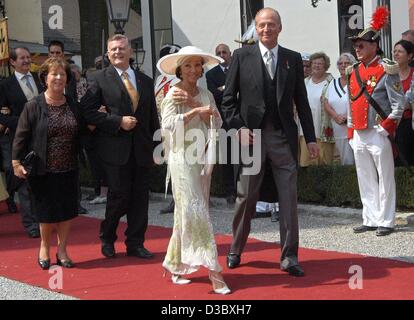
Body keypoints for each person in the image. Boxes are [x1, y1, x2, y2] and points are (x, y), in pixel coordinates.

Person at [221, 8, 318, 277]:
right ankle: (235, 248)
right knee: (246, 196)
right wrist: (238, 128)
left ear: (280, 27)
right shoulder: (241, 56)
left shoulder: (292, 59)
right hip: (251, 139)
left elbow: (302, 102)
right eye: (262, 25)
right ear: (256, 27)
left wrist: (310, 138)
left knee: (289, 199)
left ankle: (289, 256)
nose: (267, 29)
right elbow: (227, 101)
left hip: (282, 138)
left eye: (271, 25)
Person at [157, 45, 230, 294]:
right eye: (188, 65)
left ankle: (175, 265)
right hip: (181, 159)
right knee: (196, 211)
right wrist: (195, 110)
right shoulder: (172, 94)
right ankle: (215, 272)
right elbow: (166, 128)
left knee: (185, 214)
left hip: (201, 157)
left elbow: (217, 121)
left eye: (197, 65)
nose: (193, 69)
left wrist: (197, 103)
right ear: (179, 69)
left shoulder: (206, 93)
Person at [81, 34, 160, 259]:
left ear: (130, 52)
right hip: (115, 151)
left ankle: (135, 243)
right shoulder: (99, 78)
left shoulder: (145, 80)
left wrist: (157, 148)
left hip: (142, 150)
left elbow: (152, 116)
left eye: (122, 48)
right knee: (119, 197)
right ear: (108, 54)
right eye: (113, 49)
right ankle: (107, 238)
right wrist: (117, 122)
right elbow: (86, 111)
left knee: (140, 199)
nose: (118, 52)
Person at [12, 57, 84, 269]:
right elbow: (21, 136)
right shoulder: (34, 105)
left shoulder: (73, 104)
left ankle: (62, 250)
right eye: (54, 74)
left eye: (62, 74)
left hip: (69, 167)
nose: (59, 78)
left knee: (66, 211)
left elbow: (82, 129)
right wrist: (16, 162)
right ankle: (44, 246)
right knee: (46, 213)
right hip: (43, 169)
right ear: (45, 77)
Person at [347, 7, 405, 236]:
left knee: (385, 178)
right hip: (359, 133)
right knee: (365, 177)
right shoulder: (354, 70)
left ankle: (386, 220)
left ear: (374, 45)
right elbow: (352, 104)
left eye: (361, 45)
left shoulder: (387, 68)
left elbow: (399, 104)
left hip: (378, 131)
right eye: (356, 46)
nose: (357, 49)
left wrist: (385, 127)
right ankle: (370, 217)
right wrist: (351, 133)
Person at [0, 46, 43, 237]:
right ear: (12, 62)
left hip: (41, 139)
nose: (26, 61)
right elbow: (1, 116)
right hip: (19, 140)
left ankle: (43, 220)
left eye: (28, 57)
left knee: (41, 180)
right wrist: (24, 122)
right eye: (22, 58)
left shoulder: (38, 79)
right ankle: (31, 225)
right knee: (24, 183)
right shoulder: (5, 85)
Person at [206, 43, 236, 205]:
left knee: (246, 156)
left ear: (230, 54)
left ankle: (245, 190)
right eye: (219, 53)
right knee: (227, 159)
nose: (222, 54)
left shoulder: (238, 69)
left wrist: (223, 88)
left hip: (240, 119)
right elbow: (215, 95)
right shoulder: (211, 74)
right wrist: (230, 88)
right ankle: (230, 192)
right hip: (223, 121)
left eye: (225, 52)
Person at [154, 43, 181, 215]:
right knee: (170, 165)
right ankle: (174, 197)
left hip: (180, 126)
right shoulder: (160, 79)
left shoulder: (181, 78)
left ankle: (181, 199)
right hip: (164, 127)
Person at [299, 52, 334, 167]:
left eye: (320, 64)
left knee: (324, 164)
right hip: (306, 131)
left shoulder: (331, 83)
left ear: (325, 67)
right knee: (306, 164)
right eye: (314, 63)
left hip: (323, 131)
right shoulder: (304, 82)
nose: (316, 66)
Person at [324, 53, 356, 165]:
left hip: (355, 127)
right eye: (340, 63)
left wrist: (348, 118)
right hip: (338, 127)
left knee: (356, 159)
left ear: (353, 65)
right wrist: (335, 116)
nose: (343, 65)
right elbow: (326, 102)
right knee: (344, 160)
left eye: (346, 63)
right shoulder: (333, 83)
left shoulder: (357, 81)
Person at [394, 40, 414, 166]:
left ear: (410, 56)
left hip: (409, 123)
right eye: (394, 51)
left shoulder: (413, 74)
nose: (396, 54)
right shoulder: (388, 75)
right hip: (392, 124)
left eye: (400, 51)